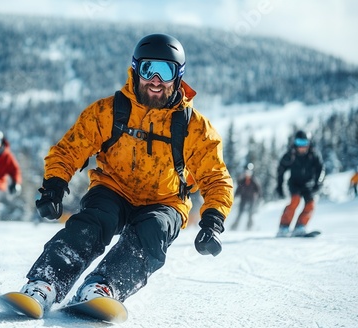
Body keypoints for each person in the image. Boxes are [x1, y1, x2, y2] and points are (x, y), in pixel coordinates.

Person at [19, 34, 234, 312]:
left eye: (165, 71)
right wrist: (54, 186)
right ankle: (44, 284)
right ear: (135, 70)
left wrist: (212, 221)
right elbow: (68, 150)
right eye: (148, 69)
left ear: (178, 77)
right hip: (114, 188)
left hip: (166, 199)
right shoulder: (109, 111)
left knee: (152, 232)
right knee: (92, 223)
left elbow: (216, 177)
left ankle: (103, 287)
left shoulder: (194, 127)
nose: (155, 79)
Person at [276, 130, 325, 237]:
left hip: (309, 184)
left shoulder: (313, 155)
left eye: (304, 143)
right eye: (299, 143)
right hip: (294, 183)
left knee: (310, 204)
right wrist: (279, 185)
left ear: (308, 143)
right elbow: (281, 170)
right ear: (295, 143)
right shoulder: (290, 155)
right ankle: (284, 226)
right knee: (295, 201)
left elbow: (320, 170)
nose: (301, 147)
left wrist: (318, 183)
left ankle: (300, 226)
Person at [230, 163, 261, 231]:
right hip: (243, 198)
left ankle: (249, 227)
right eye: (246, 172)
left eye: (249, 172)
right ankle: (234, 227)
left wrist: (259, 198)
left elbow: (258, 190)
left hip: (251, 199)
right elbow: (238, 189)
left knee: (250, 213)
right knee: (240, 213)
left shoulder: (254, 181)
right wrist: (234, 197)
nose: (247, 174)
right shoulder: (242, 181)